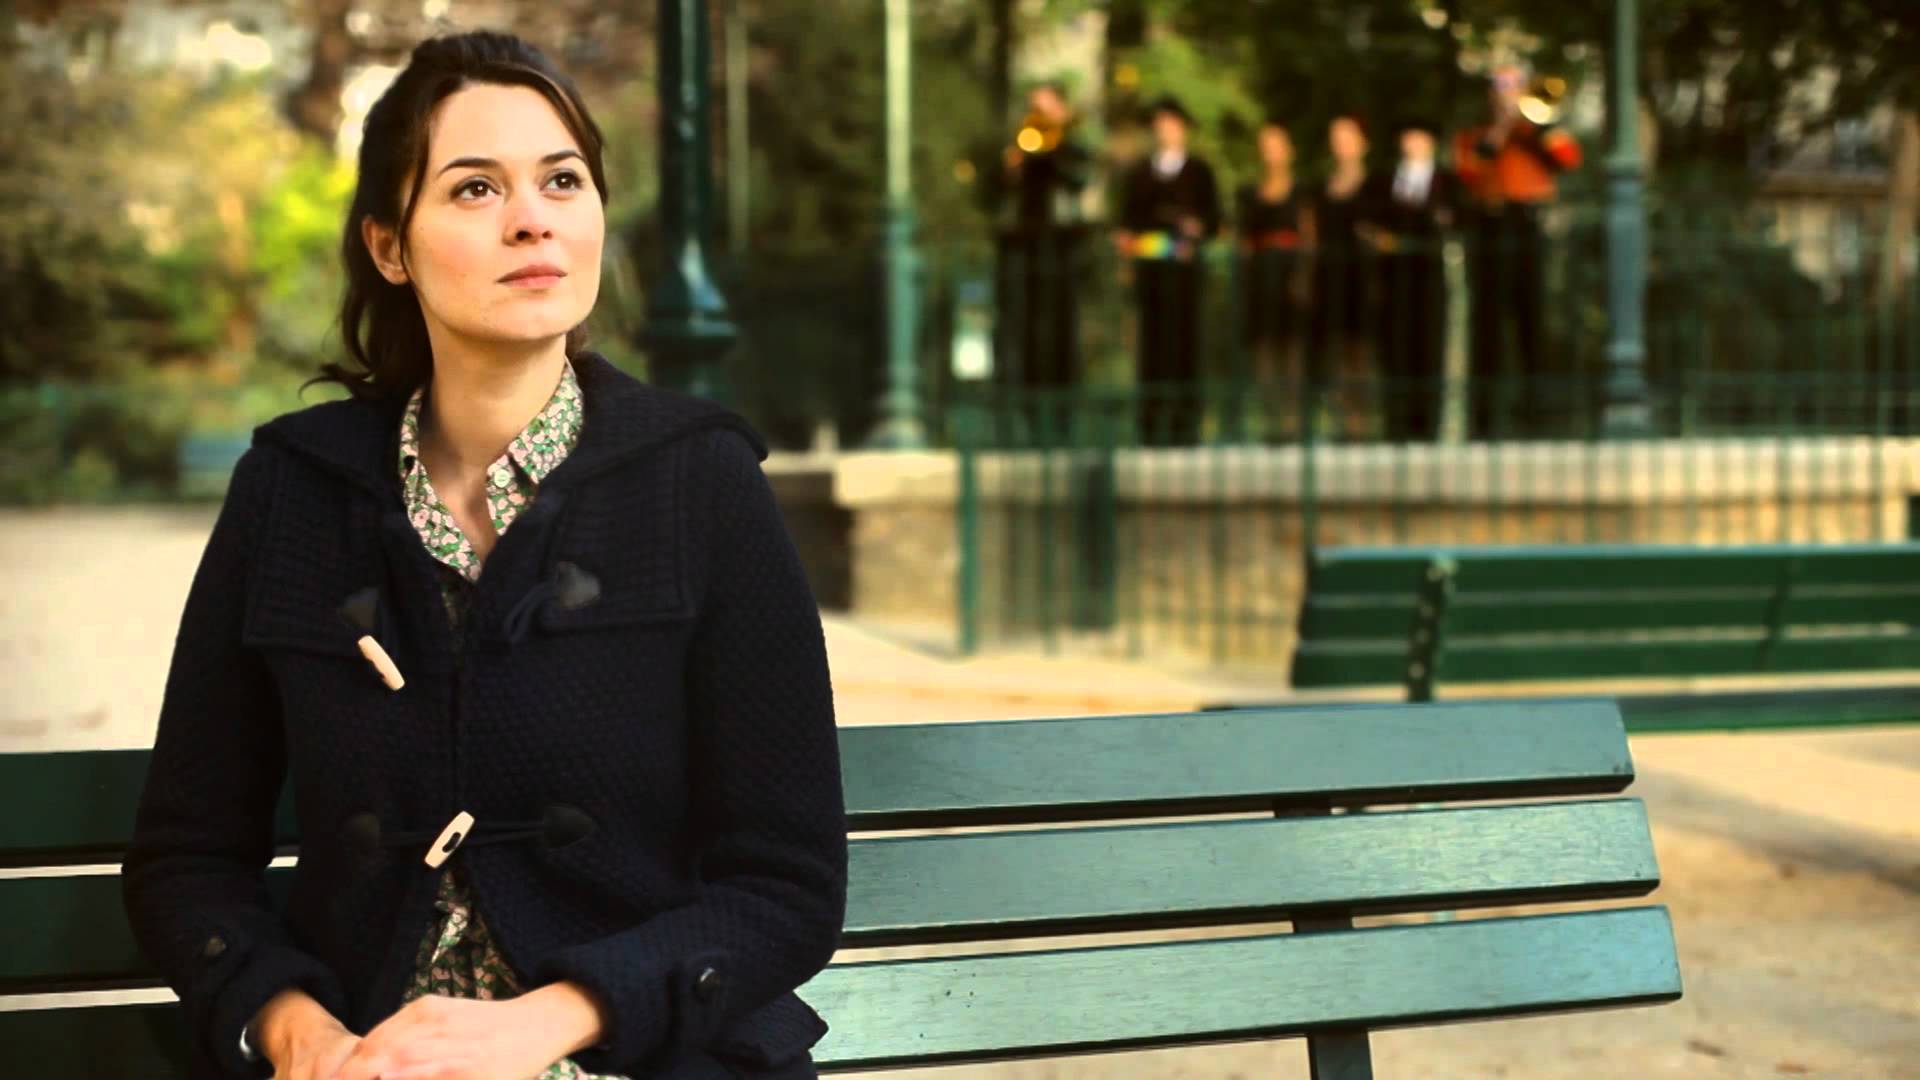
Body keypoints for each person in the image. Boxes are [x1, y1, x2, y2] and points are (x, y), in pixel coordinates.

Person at [120, 31, 847, 1080]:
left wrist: (550, 1020)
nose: (532, 219)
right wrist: (290, 1027)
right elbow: (187, 858)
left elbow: (786, 887)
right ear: (390, 246)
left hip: (633, 1058)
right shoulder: (292, 491)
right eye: (474, 189)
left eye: (563, 180)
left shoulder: (703, 480)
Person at [1454, 64, 1582, 437]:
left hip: (1529, 224)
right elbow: (1471, 170)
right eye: (1501, 85)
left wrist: (1535, 128)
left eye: (1515, 85)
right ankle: (1484, 421)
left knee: (1533, 319)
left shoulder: (1539, 131)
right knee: (1488, 324)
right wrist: (1502, 127)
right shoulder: (1476, 134)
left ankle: (1538, 417)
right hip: (1492, 226)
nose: (1508, 92)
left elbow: (1569, 159)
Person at [1117, 94, 1223, 446]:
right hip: (1151, 276)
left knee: (1185, 348)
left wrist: (1195, 229)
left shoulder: (1199, 171)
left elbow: (1213, 219)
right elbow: (1128, 225)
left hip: (1185, 278)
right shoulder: (1140, 173)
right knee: (1151, 349)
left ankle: (1185, 424)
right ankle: (1151, 424)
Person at [995, 81, 1093, 399]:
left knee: (1061, 326)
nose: (1038, 115)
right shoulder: (1018, 148)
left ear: (1061, 111)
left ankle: (1062, 400)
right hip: (1024, 247)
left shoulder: (1073, 150)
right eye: (1034, 108)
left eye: (1045, 108)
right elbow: (997, 196)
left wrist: (1053, 153)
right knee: (1022, 325)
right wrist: (1012, 169)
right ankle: (1024, 397)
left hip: (1061, 247)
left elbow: (1079, 181)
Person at [1373, 117, 1458, 441]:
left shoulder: (1446, 181)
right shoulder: (1385, 182)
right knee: (1395, 348)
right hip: (1394, 276)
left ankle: (1428, 425)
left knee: (1429, 346)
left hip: (1429, 274)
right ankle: (1396, 424)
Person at [1309, 114, 1388, 439]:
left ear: (1363, 143)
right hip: (1331, 274)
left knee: (1361, 347)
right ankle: (1344, 421)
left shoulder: (1377, 185)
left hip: (1363, 275)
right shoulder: (1321, 188)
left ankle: (1364, 422)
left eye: (1347, 136)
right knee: (1336, 347)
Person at [1235, 119, 1314, 440]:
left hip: (1290, 272)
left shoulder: (1302, 191)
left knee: (1291, 346)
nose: (1270, 152)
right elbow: (1244, 240)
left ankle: (1292, 421)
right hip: (1260, 274)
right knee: (1263, 346)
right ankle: (1271, 422)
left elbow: (1308, 235)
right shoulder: (1249, 193)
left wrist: (1304, 276)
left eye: (1276, 145)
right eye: (1264, 146)